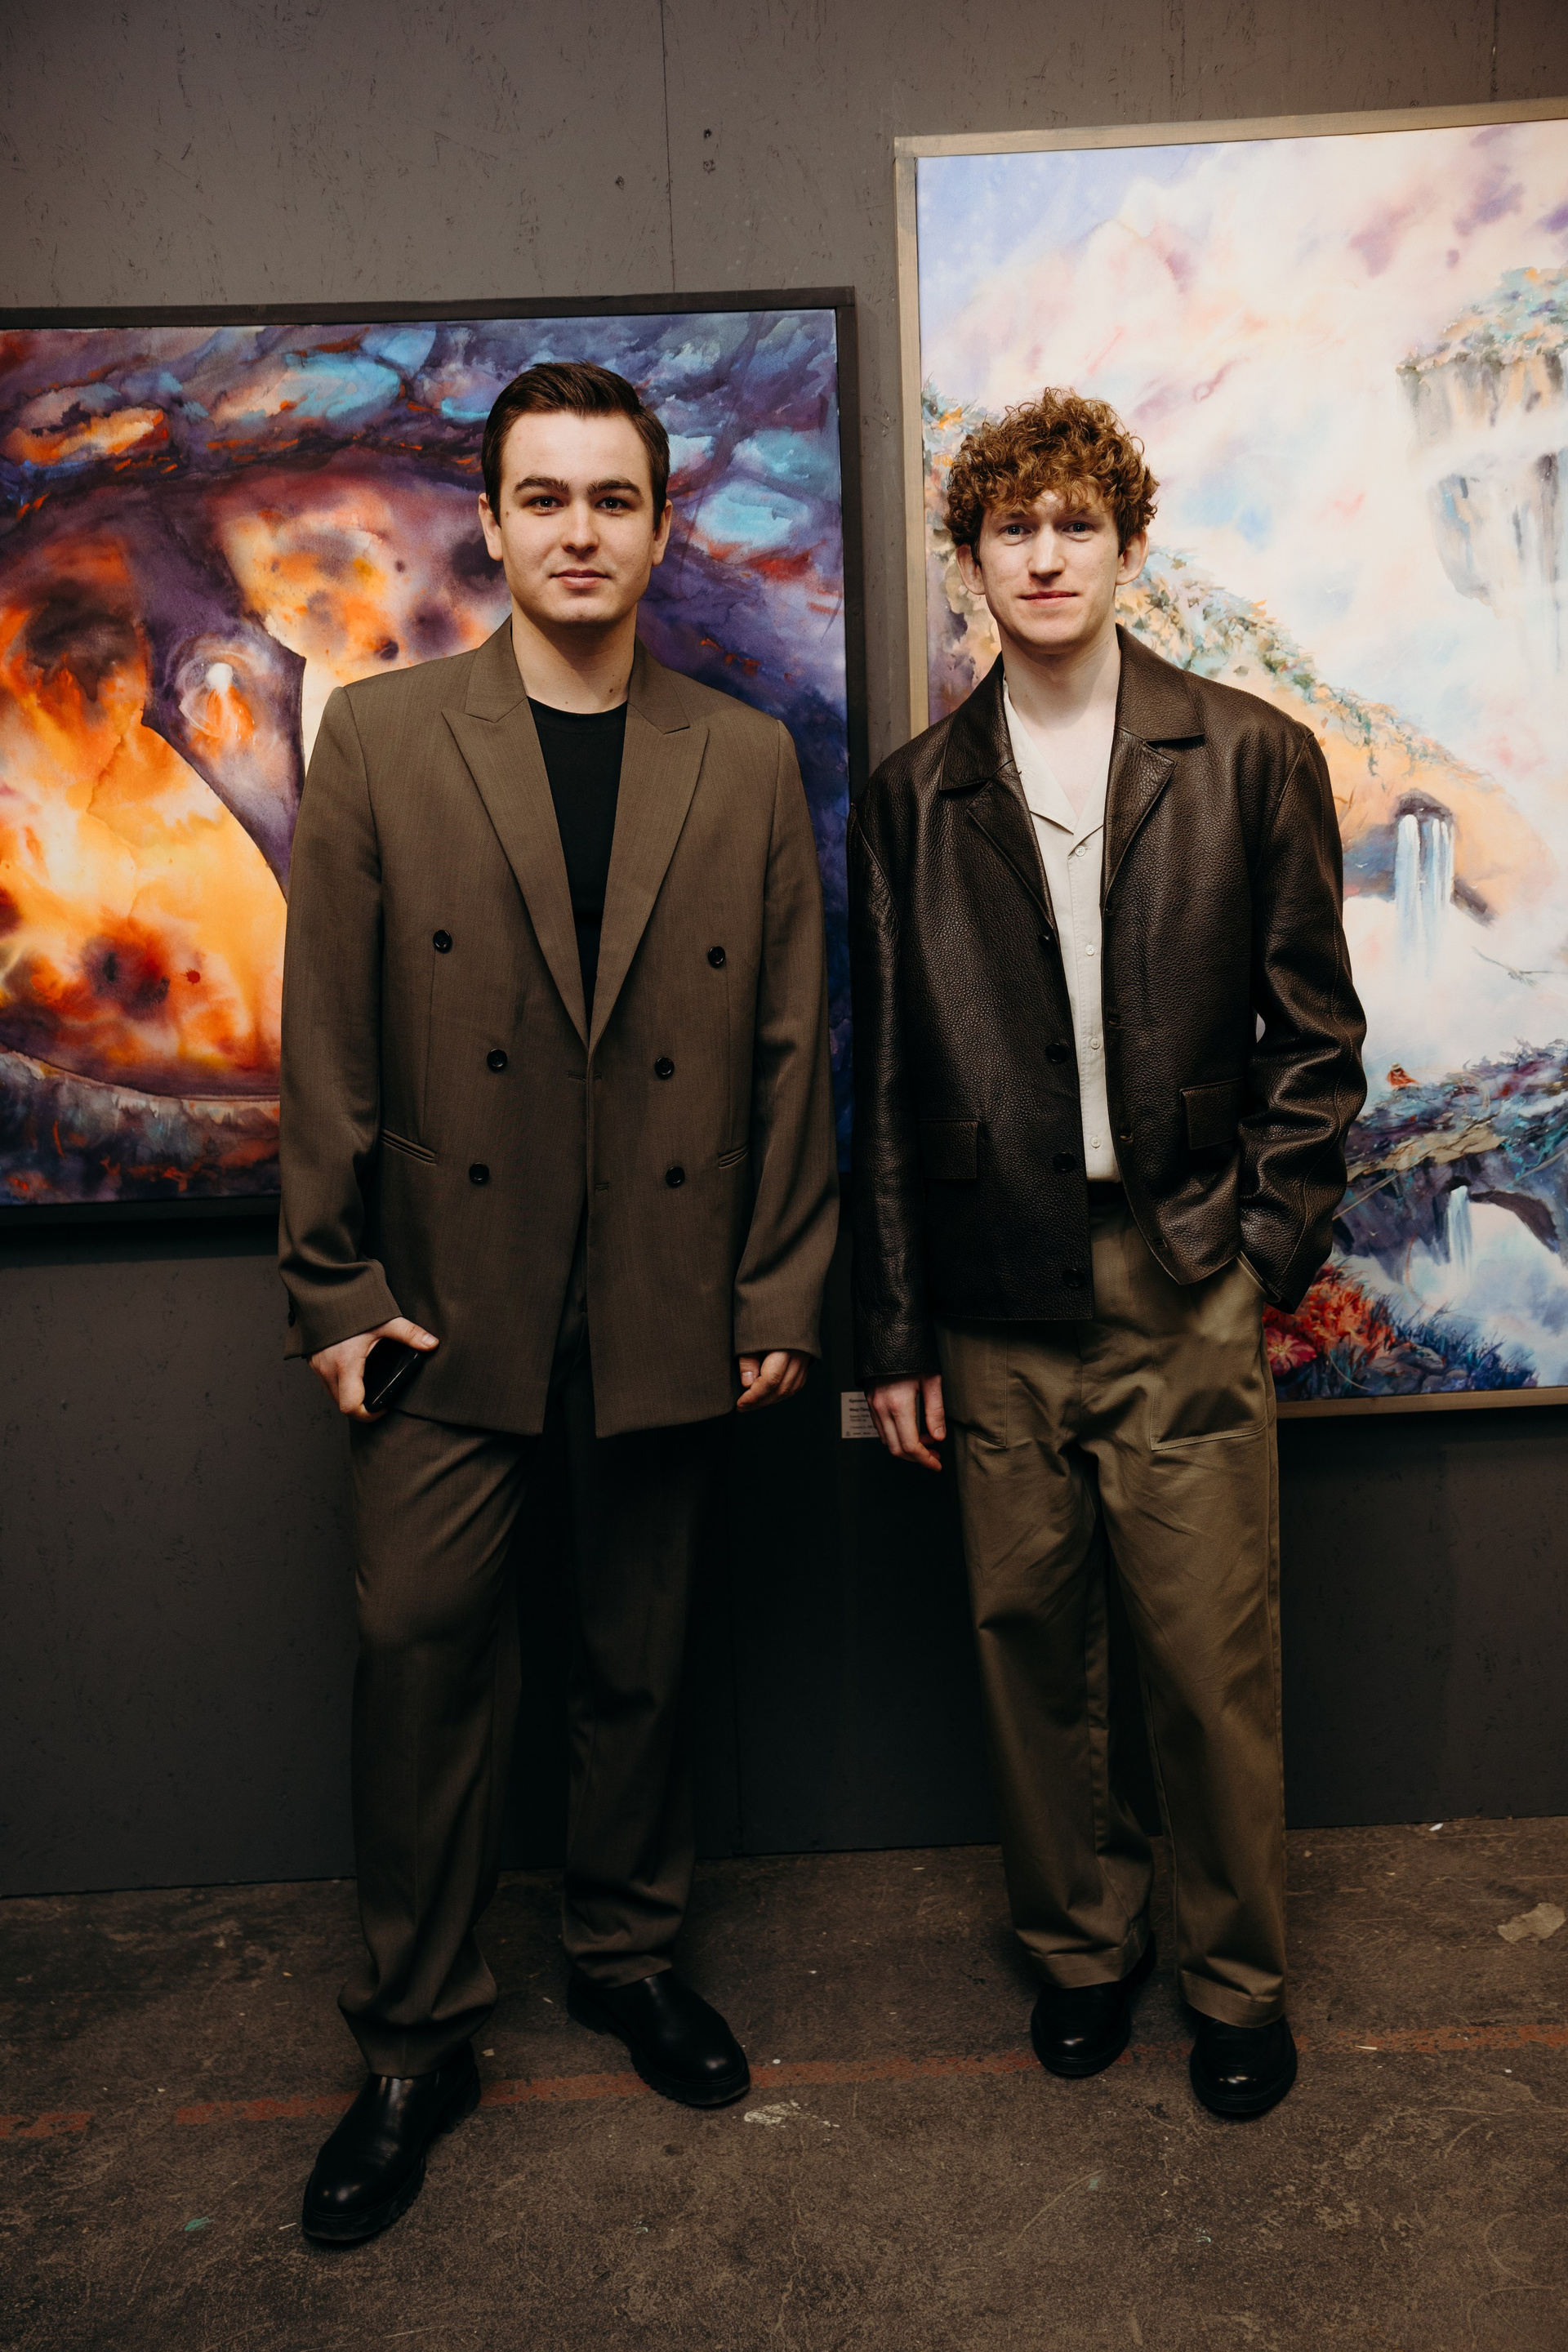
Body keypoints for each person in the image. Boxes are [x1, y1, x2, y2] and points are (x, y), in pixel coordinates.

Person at [279, 361, 838, 2242]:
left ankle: (626, 1956)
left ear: (660, 527)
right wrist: (334, 1287)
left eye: (614, 499)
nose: (580, 532)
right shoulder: (380, 737)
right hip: (447, 1299)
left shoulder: (741, 758)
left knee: (639, 1659)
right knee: (421, 1663)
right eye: (546, 497)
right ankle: (415, 2042)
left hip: (669, 1288)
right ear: (493, 524)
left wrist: (779, 1281)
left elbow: (791, 1050)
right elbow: (326, 1039)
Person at [850, 389, 1365, 2121]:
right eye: (1014, 528)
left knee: (1208, 1656)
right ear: (973, 562)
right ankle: (1082, 1953)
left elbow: (1317, 1044)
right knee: (1030, 1640)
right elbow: (888, 1087)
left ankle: (1235, 1982)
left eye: (1078, 523)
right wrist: (894, 1332)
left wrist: (1261, 1250)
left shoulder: (1250, 756)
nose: (1047, 555)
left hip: (1183, 1266)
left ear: (1129, 544)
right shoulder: (915, 797)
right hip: (993, 1286)